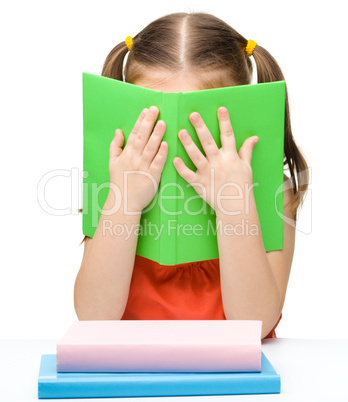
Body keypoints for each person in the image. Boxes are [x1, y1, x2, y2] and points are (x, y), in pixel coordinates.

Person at [74, 12, 309, 339]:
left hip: (233, 379)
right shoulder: (113, 179)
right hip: (134, 372)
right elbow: (94, 318)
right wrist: (124, 199)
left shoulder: (274, 191)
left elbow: (254, 323)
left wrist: (233, 204)